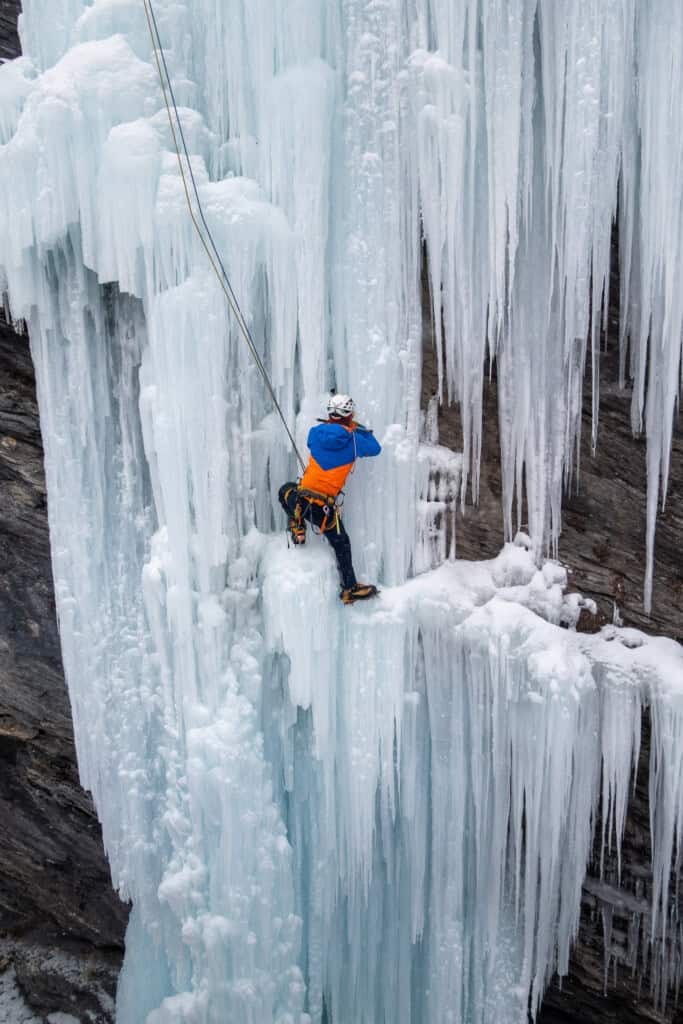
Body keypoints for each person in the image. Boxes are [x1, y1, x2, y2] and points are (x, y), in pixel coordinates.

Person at [278, 393, 381, 604]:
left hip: (300, 499)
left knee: (285, 490)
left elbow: (314, 441)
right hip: (323, 509)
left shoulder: (315, 433)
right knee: (341, 542)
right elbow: (375, 447)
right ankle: (350, 588)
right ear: (350, 414)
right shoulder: (354, 441)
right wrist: (355, 428)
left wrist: (336, 426)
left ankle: (297, 524)